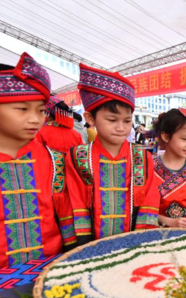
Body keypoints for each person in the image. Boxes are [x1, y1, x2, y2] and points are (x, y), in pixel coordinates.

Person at [0, 54, 75, 271]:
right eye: (22, 109)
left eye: (41, 110)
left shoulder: (55, 161)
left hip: (51, 274)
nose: (35, 119)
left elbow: (67, 222)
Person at [66, 64, 160, 242]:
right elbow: (75, 201)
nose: (121, 128)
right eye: (112, 120)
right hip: (90, 246)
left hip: (134, 244)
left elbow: (150, 202)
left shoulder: (142, 158)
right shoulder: (78, 157)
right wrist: (84, 247)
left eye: (127, 121)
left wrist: (140, 242)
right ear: (90, 118)